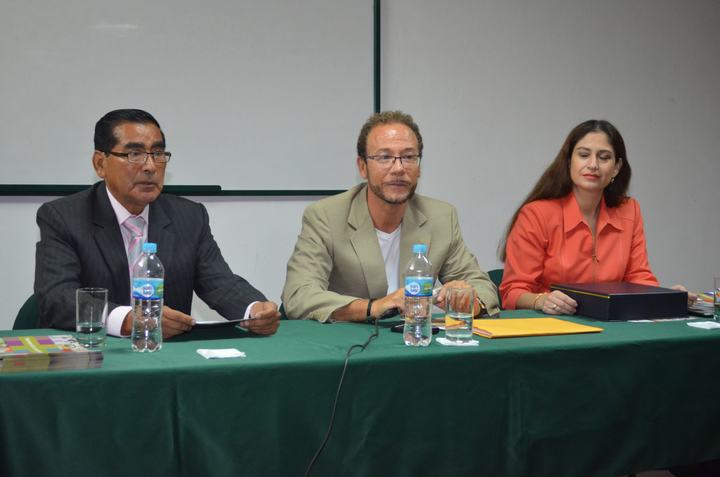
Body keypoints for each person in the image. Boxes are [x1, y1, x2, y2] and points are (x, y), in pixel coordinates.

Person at [34, 109, 280, 338]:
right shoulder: (63, 217)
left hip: (166, 356)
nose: (150, 166)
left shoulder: (189, 216)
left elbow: (220, 283)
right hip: (94, 354)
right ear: (100, 163)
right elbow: (57, 298)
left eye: (158, 154)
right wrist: (129, 320)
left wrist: (254, 309)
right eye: (134, 154)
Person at [282, 110, 499, 322]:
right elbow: (299, 294)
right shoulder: (326, 216)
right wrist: (374, 307)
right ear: (363, 167)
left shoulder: (441, 216)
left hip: (416, 339)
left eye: (408, 157)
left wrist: (468, 300)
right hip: (348, 342)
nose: (398, 168)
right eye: (385, 157)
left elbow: (483, 288)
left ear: (419, 167)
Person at [499, 119, 694, 314]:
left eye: (604, 157)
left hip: (611, 322)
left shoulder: (629, 210)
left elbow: (638, 277)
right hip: (553, 323)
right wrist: (542, 301)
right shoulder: (536, 214)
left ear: (616, 167)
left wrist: (667, 297)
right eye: (584, 155)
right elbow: (512, 292)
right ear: (569, 161)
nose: (593, 165)